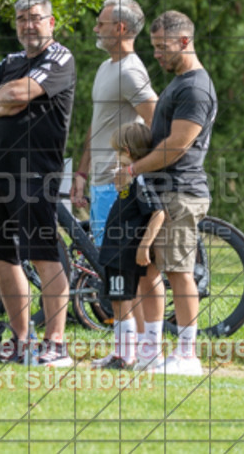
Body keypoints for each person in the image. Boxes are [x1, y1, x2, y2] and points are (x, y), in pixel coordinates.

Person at [0, 0, 76, 367]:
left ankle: (56, 344)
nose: (28, 25)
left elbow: (18, 92)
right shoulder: (10, 61)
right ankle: (22, 341)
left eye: (35, 18)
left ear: (51, 22)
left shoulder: (59, 57)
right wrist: (8, 101)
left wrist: (7, 97)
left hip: (35, 172)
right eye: (21, 19)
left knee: (43, 255)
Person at [115, 10, 217, 376]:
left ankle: (187, 355)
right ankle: (151, 352)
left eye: (162, 47)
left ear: (185, 41)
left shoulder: (195, 88)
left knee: (179, 272)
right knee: (148, 273)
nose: (157, 54)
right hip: (161, 193)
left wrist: (132, 169)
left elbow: (177, 145)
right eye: (155, 46)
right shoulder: (178, 83)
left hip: (181, 192)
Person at [71, 0, 157, 246]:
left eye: (101, 24)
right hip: (100, 183)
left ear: (120, 28)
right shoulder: (105, 67)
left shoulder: (130, 71)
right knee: (102, 259)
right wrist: (82, 172)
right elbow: (98, 123)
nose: (95, 29)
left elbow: (156, 119)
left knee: (114, 262)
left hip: (116, 186)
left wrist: (133, 168)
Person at [96, 123, 166, 370]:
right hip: (115, 250)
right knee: (118, 301)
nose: (115, 157)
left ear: (126, 151)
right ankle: (123, 351)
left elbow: (158, 213)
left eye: (117, 152)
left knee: (121, 302)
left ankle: (125, 355)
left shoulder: (142, 180)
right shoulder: (131, 179)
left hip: (124, 251)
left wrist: (144, 246)